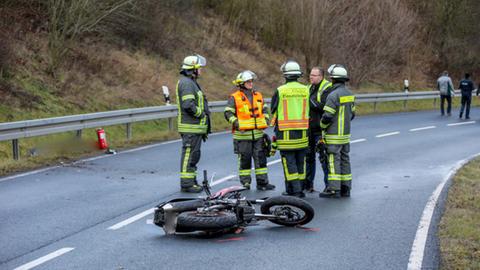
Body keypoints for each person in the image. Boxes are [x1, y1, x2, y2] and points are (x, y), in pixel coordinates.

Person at [224, 70, 275, 191]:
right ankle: (245, 184)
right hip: (242, 136)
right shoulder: (234, 97)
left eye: (251, 81)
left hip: (258, 135)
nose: (251, 84)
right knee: (245, 161)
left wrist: (266, 120)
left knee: (261, 160)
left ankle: (263, 183)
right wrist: (236, 123)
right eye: (248, 82)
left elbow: (265, 109)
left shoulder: (258, 95)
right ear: (241, 83)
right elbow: (228, 112)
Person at [270, 60, 310, 198]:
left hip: (286, 133)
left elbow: (273, 109)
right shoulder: (306, 89)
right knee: (301, 162)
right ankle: (301, 189)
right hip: (303, 133)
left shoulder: (281, 90)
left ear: (285, 75)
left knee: (289, 163)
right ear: (298, 75)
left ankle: (294, 190)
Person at [319, 64, 355, 198]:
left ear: (333, 79)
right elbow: (352, 114)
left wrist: (322, 126)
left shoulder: (333, 95)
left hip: (333, 136)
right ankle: (346, 187)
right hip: (345, 136)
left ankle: (334, 189)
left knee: (333, 162)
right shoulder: (350, 94)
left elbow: (327, 116)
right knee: (345, 160)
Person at [176, 54, 210, 193]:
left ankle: (192, 181)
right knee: (189, 155)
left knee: (194, 155)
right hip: (190, 127)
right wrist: (201, 114)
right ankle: (186, 184)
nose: (200, 70)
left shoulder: (191, 82)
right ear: (193, 69)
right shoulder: (187, 83)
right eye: (199, 68)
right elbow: (188, 105)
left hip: (195, 128)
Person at [305, 67, 331, 192]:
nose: (311, 77)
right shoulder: (309, 88)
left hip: (320, 130)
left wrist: (309, 101)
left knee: (324, 157)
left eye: (314, 75)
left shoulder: (326, 87)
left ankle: (328, 185)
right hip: (309, 128)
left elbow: (323, 107)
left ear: (321, 76)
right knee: (308, 157)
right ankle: (308, 185)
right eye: (310, 75)